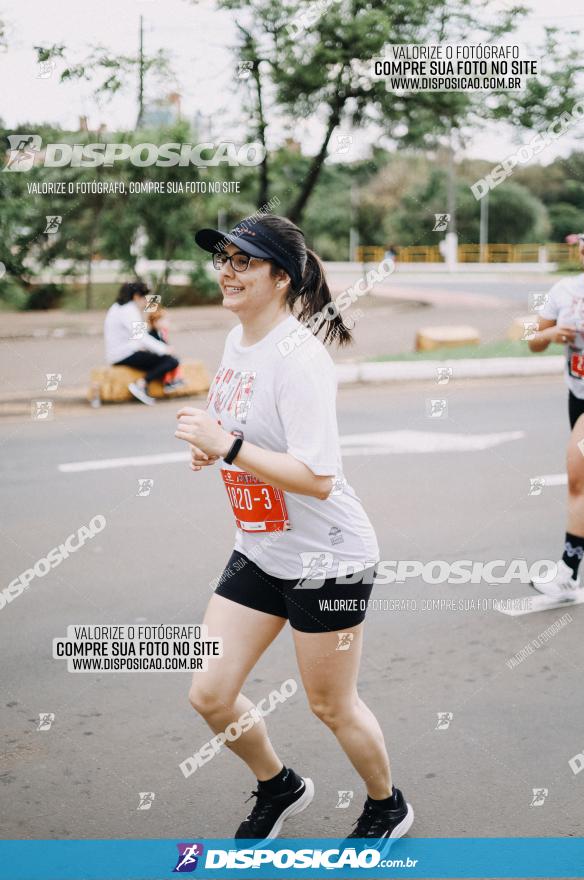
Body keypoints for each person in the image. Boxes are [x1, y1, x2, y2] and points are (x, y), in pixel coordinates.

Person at [174, 214, 414, 844]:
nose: (226, 270)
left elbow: (316, 478)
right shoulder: (238, 342)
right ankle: (280, 786)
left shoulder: (300, 358)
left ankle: (387, 805)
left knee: (331, 705)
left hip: (327, 559)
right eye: (223, 257)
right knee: (210, 694)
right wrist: (216, 448)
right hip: (260, 549)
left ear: (280, 278)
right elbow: (248, 441)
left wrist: (226, 446)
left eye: (243, 261)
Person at [528, 228, 584, 597]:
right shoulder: (564, 290)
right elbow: (533, 341)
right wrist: (551, 335)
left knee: (578, 477)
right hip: (578, 395)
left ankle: (568, 570)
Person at [103, 281, 180, 405]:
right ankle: (141, 384)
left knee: (161, 357)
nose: (146, 301)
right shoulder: (128, 310)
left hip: (120, 352)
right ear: (136, 296)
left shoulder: (117, 308)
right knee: (171, 361)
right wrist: (164, 349)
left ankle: (164, 383)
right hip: (123, 354)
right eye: (144, 297)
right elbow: (141, 336)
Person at [147, 304, 186, 392]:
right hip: (154, 356)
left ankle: (175, 379)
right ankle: (167, 382)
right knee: (171, 360)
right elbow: (156, 347)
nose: (167, 322)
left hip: (159, 355)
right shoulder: (152, 334)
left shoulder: (161, 332)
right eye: (164, 320)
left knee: (175, 359)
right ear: (155, 322)